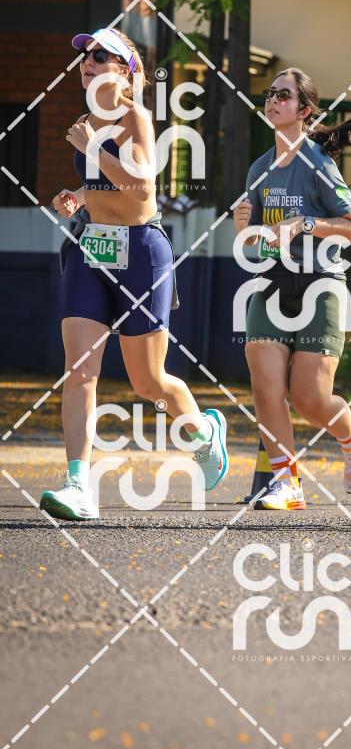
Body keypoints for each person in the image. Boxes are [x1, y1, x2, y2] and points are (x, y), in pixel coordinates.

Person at [40, 28, 228, 521]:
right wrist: (78, 197)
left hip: (141, 253)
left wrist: (92, 149)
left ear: (125, 73)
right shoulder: (86, 122)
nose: (88, 61)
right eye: (86, 55)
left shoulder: (134, 118)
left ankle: (203, 431)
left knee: (148, 381)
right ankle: (78, 485)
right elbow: (105, 184)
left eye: (101, 55)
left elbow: (142, 188)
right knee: (80, 370)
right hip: (92, 250)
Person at [233, 68, 351, 511]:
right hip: (273, 282)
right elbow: (255, 239)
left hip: (320, 283)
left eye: (284, 96)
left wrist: (305, 224)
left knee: (309, 398)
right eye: (270, 94)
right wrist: (245, 229)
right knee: (264, 385)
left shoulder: (318, 164)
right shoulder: (259, 168)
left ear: (305, 110)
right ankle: (286, 482)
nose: (273, 101)